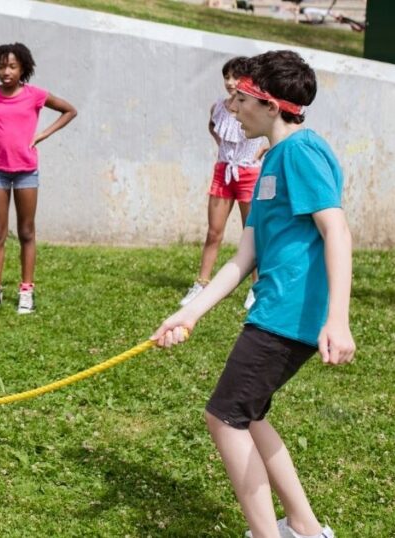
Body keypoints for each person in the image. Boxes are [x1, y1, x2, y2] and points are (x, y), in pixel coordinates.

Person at [152, 50, 354, 538]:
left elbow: (338, 230)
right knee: (251, 416)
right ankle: (304, 528)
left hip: (288, 316)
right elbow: (244, 258)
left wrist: (339, 319)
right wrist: (189, 314)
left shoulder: (301, 152)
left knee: (224, 418)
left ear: (269, 104)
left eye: (240, 98)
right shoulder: (270, 162)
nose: (233, 108)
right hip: (273, 310)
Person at [0, 43, 77, 314]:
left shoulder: (35, 95)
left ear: (23, 68)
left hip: (26, 172)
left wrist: (42, 135)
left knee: (26, 232)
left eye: (12, 66)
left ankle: (26, 291)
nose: (6, 72)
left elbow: (69, 110)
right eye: (1, 66)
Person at [180, 57, 267, 309]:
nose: (230, 82)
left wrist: (260, 150)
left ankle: (257, 288)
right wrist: (224, 150)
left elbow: (274, 130)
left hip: (249, 175)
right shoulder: (218, 107)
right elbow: (214, 127)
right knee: (213, 231)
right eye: (227, 77)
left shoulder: (255, 108)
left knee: (252, 233)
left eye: (236, 77)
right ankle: (202, 283)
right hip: (223, 172)